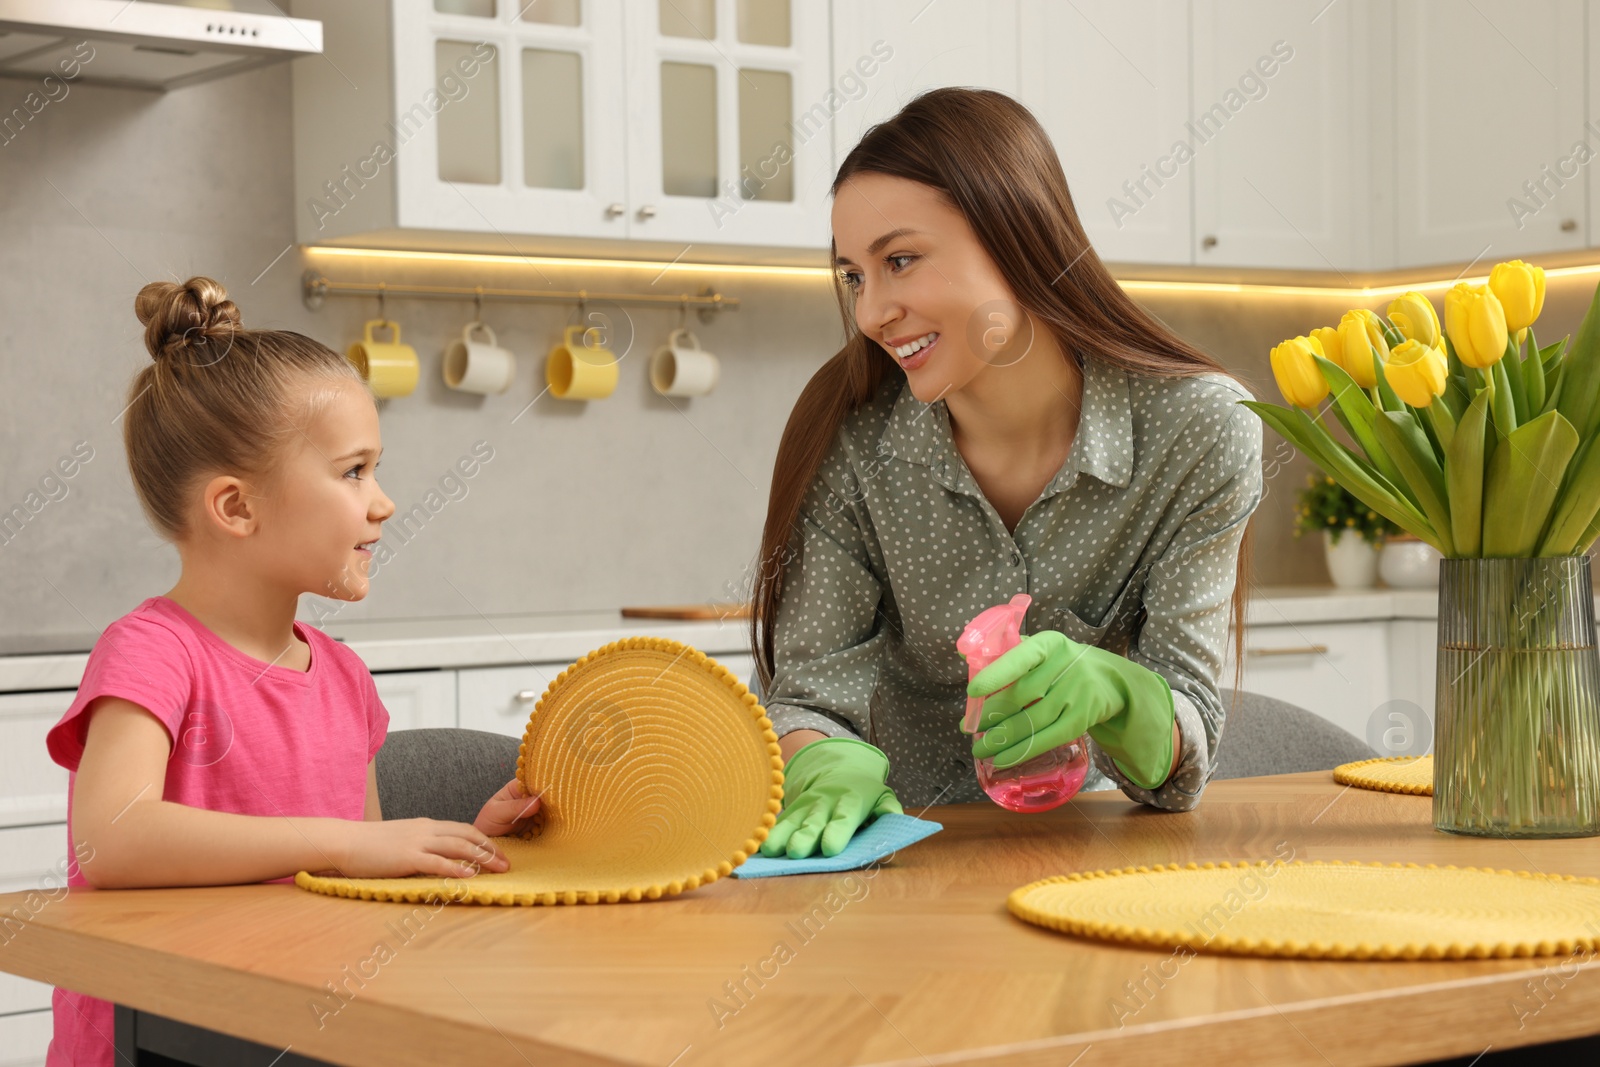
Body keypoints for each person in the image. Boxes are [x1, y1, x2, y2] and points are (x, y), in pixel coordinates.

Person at [752, 89, 1263, 860]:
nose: (871, 312)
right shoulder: (851, 439)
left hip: (1089, 863)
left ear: (1016, 234)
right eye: (855, 275)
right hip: (894, 867)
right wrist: (820, 754)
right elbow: (810, 694)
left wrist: (1120, 694)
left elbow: (1182, 756)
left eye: (900, 260)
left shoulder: (1199, 431)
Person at [43, 278, 539, 1066]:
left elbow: (361, 865)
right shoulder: (152, 652)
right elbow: (113, 839)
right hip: (162, 1042)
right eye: (353, 472)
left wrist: (452, 844)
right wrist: (342, 845)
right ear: (237, 508)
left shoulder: (343, 676)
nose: (384, 502)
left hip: (297, 1031)